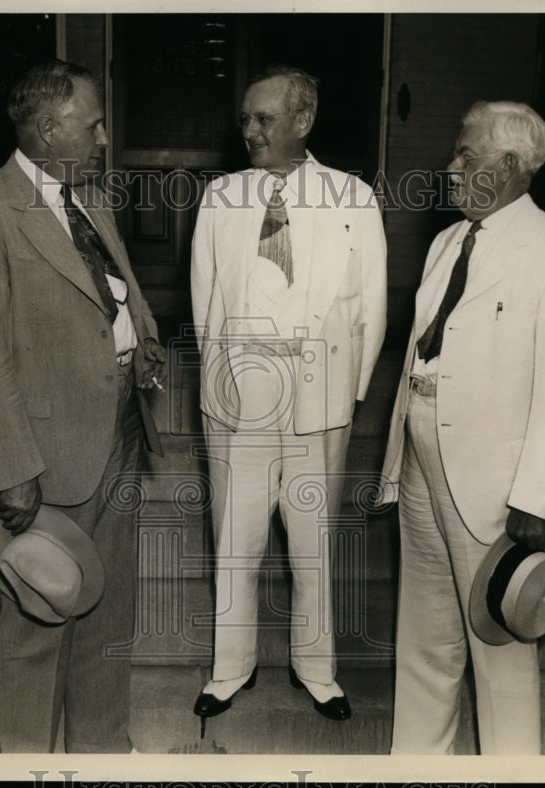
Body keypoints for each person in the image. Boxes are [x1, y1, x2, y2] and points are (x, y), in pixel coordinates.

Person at [0, 58, 165, 753]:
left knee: (109, 610)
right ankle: (27, 765)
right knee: (41, 621)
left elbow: (116, 291)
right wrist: (12, 470)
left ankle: (103, 749)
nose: (103, 136)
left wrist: (146, 341)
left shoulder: (89, 197)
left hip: (121, 428)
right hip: (47, 451)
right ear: (47, 128)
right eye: (91, 123)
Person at [379, 101, 545, 754]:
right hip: (424, 462)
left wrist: (533, 500)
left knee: (499, 645)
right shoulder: (447, 242)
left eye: (465, 154)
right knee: (424, 639)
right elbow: (420, 357)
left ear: (508, 166)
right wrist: (397, 460)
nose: (451, 167)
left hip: (497, 486)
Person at [190, 64, 387, 722]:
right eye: (244, 119)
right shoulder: (220, 198)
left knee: (312, 544)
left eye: (263, 119)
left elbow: (371, 308)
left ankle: (317, 669)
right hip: (240, 391)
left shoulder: (352, 198)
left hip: (317, 395)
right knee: (236, 540)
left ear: (303, 121)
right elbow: (204, 302)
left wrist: (348, 399)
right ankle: (230, 669)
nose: (249, 130)